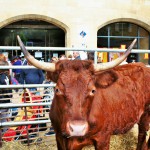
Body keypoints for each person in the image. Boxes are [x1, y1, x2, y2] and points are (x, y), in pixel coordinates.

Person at [0, 60, 12, 132]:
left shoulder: (1, 77)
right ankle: (5, 135)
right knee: (4, 120)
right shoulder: (7, 76)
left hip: (2, 101)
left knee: (3, 121)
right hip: (6, 101)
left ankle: (3, 136)